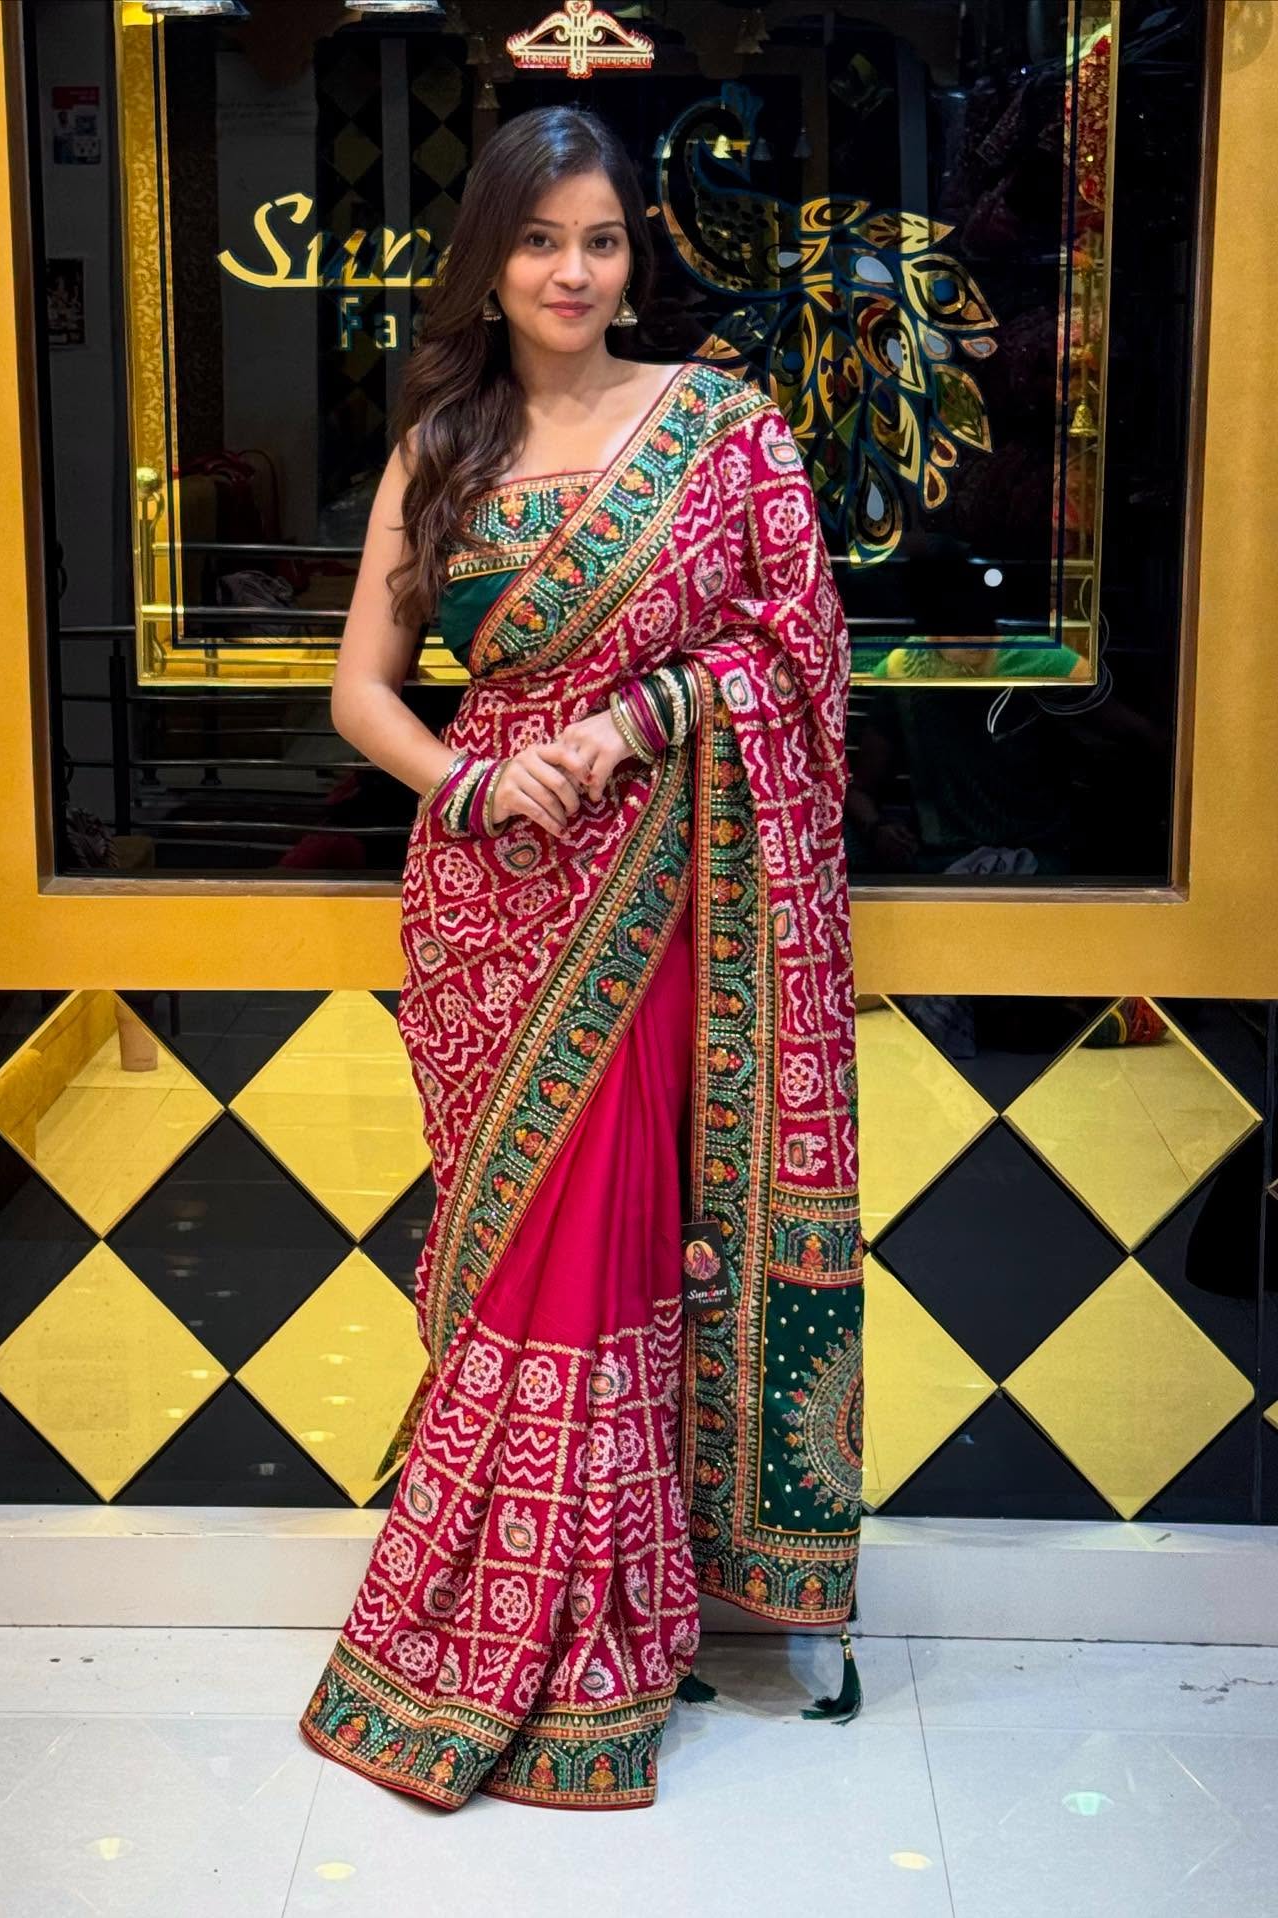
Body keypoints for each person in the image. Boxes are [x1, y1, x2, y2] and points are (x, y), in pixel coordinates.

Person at [298, 103, 863, 1812]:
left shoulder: (723, 428)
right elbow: (362, 689)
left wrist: (640, 719)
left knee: (605, 1244)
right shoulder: (443, 442)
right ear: (491, 254)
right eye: (540, 238)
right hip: (488, 898)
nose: (572, 270)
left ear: (636, 254)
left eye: (601, 237)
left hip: (667, 886)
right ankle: (479, 1615)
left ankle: (603, 1622)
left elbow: (800, 654)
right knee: (512, 1242)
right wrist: (474, 776)